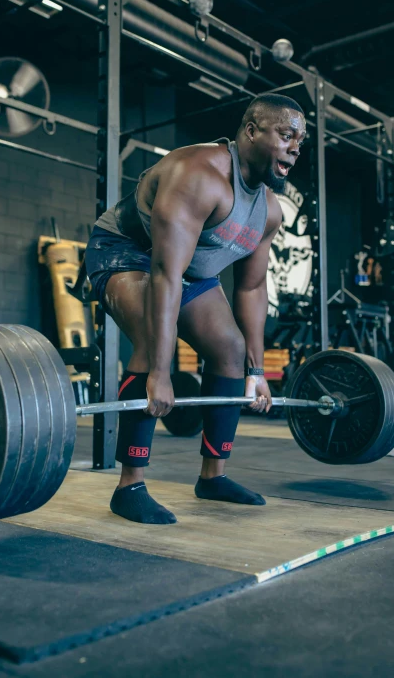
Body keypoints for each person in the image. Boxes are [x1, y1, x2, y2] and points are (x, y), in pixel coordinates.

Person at [85, 93, 306, 524]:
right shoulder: (198, 175)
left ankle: (212, 477)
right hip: (126, 252)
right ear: (251, 131)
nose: (296, 146)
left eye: (301, 139)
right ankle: (129, 484)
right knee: (154, 341)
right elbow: (165, 274)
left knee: (228, 348)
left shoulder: (270, 211)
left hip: (187, 269)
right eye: (286, 134)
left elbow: (253, 286)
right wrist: (160, 374)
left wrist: (256, 372)